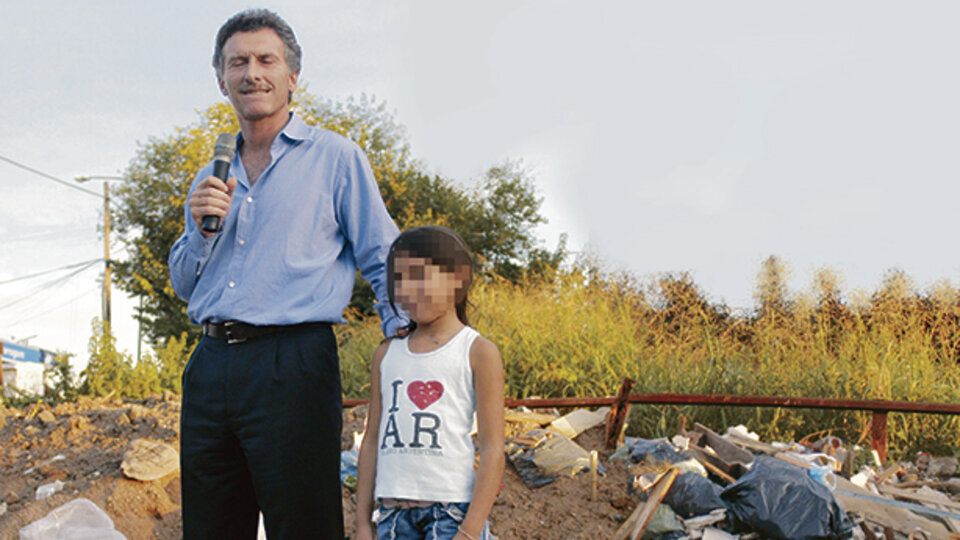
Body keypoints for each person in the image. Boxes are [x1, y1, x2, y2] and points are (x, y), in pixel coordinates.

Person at [167, 8, 405, 539]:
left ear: (291, 76)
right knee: (209, 527)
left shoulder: (336, 159)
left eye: (264, 60)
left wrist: (405, 345)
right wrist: (202, 234)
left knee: (303, 526)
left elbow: (382, 255)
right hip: (209, 367)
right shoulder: (210, 176)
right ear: (221, 79)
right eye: (237, 63)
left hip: (293, 365)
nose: (251, 72)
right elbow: (185, 284)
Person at [355, 226, 505, 540]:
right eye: (399, 278)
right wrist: (363, 524)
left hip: (451, 514)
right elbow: (371, 442)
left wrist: (469, 530)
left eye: (420, 275)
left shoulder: (478, 352)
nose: (408, 288)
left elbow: (493, 449)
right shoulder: (386, 354)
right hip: (393, 518)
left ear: (458, 278)